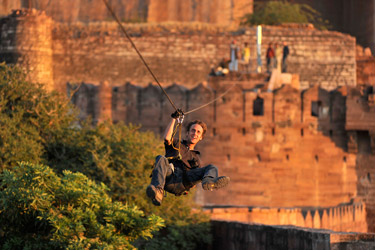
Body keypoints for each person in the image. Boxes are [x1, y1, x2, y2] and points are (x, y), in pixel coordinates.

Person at [146, 110, 230, 206]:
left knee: (212, 167)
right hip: (169, 176)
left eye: (198, 132)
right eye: (193, 130)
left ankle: (210, 182)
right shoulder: (177, 144)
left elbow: (193, 184)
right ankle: (157, 192)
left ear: (201, 137)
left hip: (182, 183)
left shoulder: (196, 158)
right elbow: (167, 138)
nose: (195, 133)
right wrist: (174, 119)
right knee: (161, 158)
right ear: (187, 133)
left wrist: (193, 177)